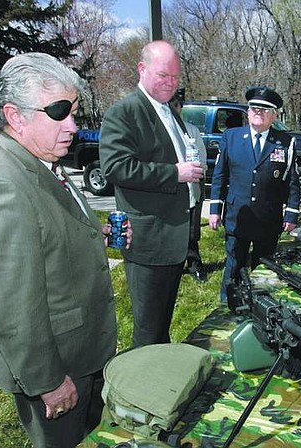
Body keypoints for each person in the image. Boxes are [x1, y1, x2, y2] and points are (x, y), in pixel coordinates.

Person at [0, 53, 120, 448]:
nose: (73, 126)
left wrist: (93, 234)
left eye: (75, 112)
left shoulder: (41, 161)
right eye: (60, 112)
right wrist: (46, 381)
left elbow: (46, 232)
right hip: (55, 366)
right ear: (16, 116)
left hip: (81, 350)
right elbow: (9, 304)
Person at [99, 41, 203, 347]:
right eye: (163, 75)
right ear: (142, 69)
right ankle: (140, 388)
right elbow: (116, 167)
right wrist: (175, 173)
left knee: (161, 325)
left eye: (175, 77)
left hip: (174, 236)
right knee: (147, 332)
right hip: (150, 240)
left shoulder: (169, 111)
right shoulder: (125, 112)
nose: (170, 83)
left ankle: (159, 376)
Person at [209, 86, 301, 302]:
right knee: (233, 265)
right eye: (254, 108)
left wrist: (292, 213)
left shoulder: (285, 143)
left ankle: (260, 306)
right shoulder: (231, 137)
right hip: (237, 216)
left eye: (265, 109)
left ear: (274, 115)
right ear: (248, 112)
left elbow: (292, 181)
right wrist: (215, 209)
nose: (258, 112)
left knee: (264, 268)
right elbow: (220, 176)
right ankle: (228, 305)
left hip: (267, 218)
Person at [170, 88, 208, 282]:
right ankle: (171, 268)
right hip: (167, 192)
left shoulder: (191, 130)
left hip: (191, 188)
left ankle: (194, 263)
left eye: (176, 106)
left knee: (191, 232)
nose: (173, 110)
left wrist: (194, 171)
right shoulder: (158, 130)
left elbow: (202, 159)